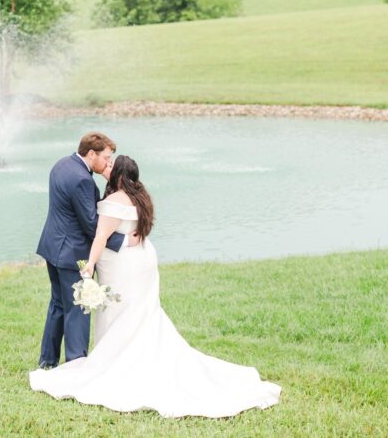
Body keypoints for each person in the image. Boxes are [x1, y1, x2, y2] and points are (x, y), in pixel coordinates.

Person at [30, 153, 282, 418]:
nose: (106, 166)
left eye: (111, 165)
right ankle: (138, 357)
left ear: (117, 175)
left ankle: (118, 362)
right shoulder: (142, 198)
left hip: (123, 266)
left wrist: (89, 266)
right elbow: (134, 232)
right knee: (142, 312)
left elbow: (100, 236)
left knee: (120, 313)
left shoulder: (112, 202)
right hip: (143, 260)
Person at [35, 132, 139, 369]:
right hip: (72, 253)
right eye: (106, 157)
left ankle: (48, 361)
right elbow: (92, 224)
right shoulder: (83, 180)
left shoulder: (62, 164)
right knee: (78, 308)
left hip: (53, 247)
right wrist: (122, 241)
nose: (108, 163)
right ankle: (76, 364)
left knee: (58, 305)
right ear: (91, 154)